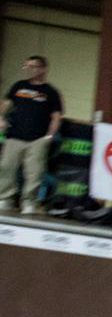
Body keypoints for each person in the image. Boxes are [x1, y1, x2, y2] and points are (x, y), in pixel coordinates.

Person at [0, 55, 64, 214]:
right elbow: (6, 104)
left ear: (43, 69)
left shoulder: (51, 92)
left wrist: (49, 136)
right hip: (14, 136)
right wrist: (1, 118)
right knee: (6, 167)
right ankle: (5, 198)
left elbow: (56, 116)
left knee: (34, 172)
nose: (29, 69)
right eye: (27, 66)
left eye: (33, 66)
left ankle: (29, 202)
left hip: (37, 139)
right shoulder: (19, 86)